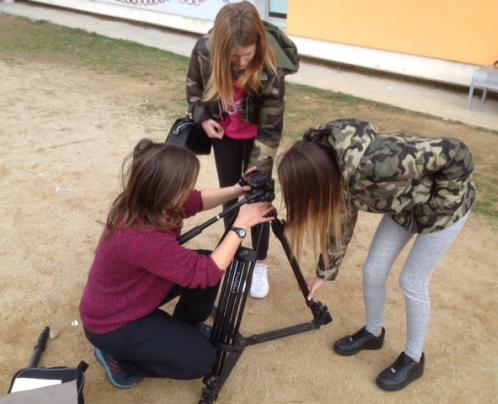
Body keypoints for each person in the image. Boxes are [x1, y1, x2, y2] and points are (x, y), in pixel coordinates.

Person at [277, 118, 476, 391]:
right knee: (373, 270)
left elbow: (456, 152)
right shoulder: (337, 174)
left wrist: (436, 204)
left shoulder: (378, 164)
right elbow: (342, 221)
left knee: (412, 281)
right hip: (405, 208)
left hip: (445, 211)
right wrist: (325, 272)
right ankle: (373, 332)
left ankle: (414, 357)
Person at [79, 139, 274, 389]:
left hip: (132, 294)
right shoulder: (141, 239)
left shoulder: (145, 200)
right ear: (165, 191)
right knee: (201, 360)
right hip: (113, 323)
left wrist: (237, 190)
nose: (190, 190)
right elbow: (207, 273)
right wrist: (242, 225)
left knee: (204, 258)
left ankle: (184, 329)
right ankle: (119, 360)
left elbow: (195, 200)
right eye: (185, 186)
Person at [186, 1, 298, 299]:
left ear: (258, 46)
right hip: (224, 136)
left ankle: (259, 263)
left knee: (257, 198)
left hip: (258, 141)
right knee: (231, 196)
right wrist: (204, 119)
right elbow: (193, 89)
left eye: (246, 55)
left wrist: (258, 168)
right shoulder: (204, 50)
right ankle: (234, 258)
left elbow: (272, 127)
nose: (240, 63)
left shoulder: (271, 65)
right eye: (233, 56)